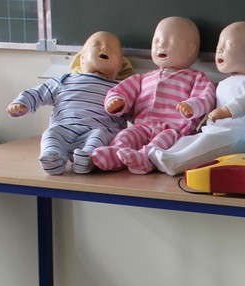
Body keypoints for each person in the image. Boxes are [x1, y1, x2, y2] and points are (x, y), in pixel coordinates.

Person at [87, 16, 216, 174]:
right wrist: (116, 101)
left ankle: (145, 159)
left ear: (190, 50)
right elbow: (120, 91)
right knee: (126, 134)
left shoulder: (195, 78)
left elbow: (206, 97)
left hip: (174, 130)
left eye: (171, 41)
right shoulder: (144, 78)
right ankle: (115, 153)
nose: (161, 45)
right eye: (157, 41)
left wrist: (192, 106)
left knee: (161, 143)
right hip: (143, 126)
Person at [145, 21, 245, 176]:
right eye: (218, 46)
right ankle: (167, 153)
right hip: (215, 130)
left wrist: (226, 111)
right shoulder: (224, 83)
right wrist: (192, 105)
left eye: (227, 45)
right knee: (191, 140)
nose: (219, 50)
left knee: (207, 145)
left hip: (239, 136)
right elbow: (207, 101)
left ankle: (174, 162)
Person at [7, 30, 135, 175]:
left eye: (111, 49)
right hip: (64, 127)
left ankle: (87, 159)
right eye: (97, 44)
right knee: (51, 134)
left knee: (101, 137)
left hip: (99, 129)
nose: (104, 48)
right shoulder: (64, 80)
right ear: (82, 58)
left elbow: (138, 112)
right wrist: (21, 104)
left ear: (120, 65)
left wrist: (121, 107)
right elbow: (37, 93)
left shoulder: (121, 88)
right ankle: (52, 157)